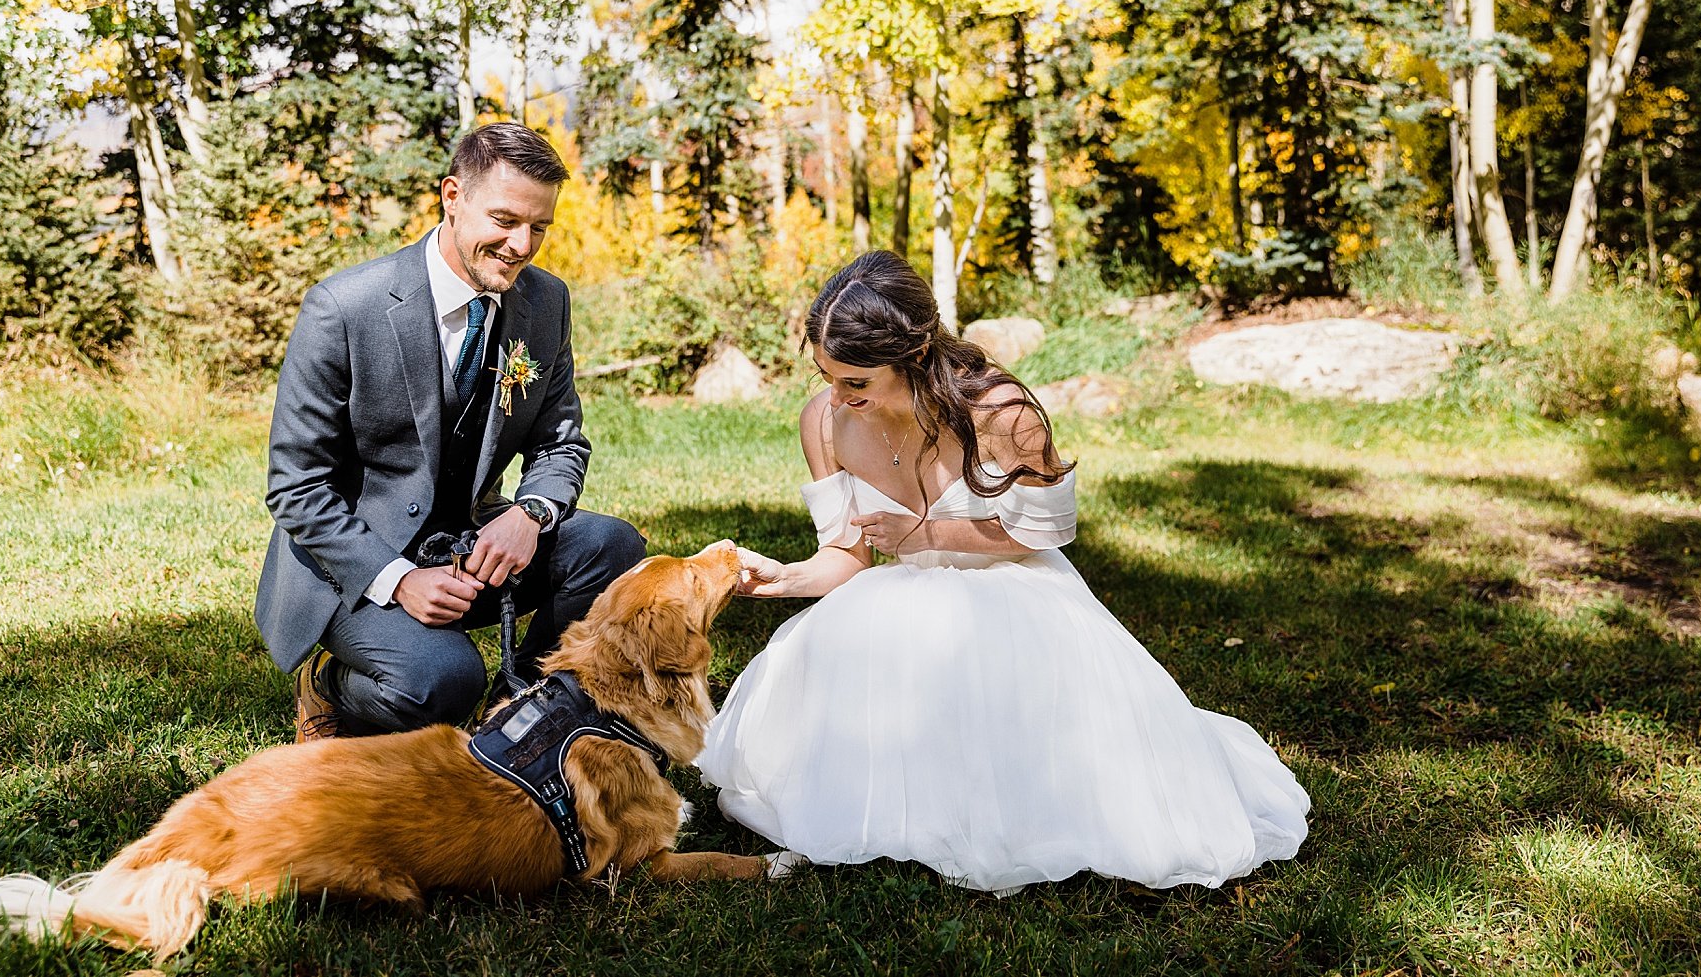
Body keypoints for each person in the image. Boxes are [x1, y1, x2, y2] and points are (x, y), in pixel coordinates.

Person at [698, 251, 1309, 894]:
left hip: (1012, 594)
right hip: (895, 600)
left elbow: (1043, 530)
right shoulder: (825, 422)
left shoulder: (999, 411)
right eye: (828, 375)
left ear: (913, 354)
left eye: (857, 382)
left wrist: (925, 533)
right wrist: (788, 579)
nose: (841, 397)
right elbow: (847, 558)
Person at [255, 122, 646, 742]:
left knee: (611, 546)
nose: (521, 244)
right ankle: (331, 682)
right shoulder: (343, 307)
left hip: (468, 542)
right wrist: (400, 580)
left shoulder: (546, 303)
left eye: (539, 227)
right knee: (444, 681)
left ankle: (518, 714)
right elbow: (295, 487)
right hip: (355, 563)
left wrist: (532, 512)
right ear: (452, 196)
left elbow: (561, 438)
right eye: (504, 220)